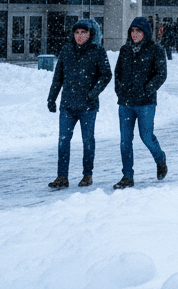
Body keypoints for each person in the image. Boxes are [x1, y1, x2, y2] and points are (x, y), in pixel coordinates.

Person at [47, 18, 111, 189]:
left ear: (90, 34)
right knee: (63, 140)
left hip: (88, 107)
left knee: (88, 141)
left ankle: (87, 175)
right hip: (67, 105)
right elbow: (58, 77)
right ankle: (62, 177)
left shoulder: (97, 51)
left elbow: (106, 75)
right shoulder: (66, 50)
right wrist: (51, 98)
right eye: (77, 33)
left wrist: (93, 93)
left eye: (84, 33)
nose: (80, 36)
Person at [112, 16, 168, 189]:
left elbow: (161, 74)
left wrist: (146, 89)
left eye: (139, 31)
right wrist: (120, 90)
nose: (135, 34)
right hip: (126, 103)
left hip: (145, 103)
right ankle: (127, 176)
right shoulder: (125, 50)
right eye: (133, 31)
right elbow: (118, 73)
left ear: (146, 32)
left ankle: (160, 159)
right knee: (125, 141)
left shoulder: (155, 50)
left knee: (146, 137)